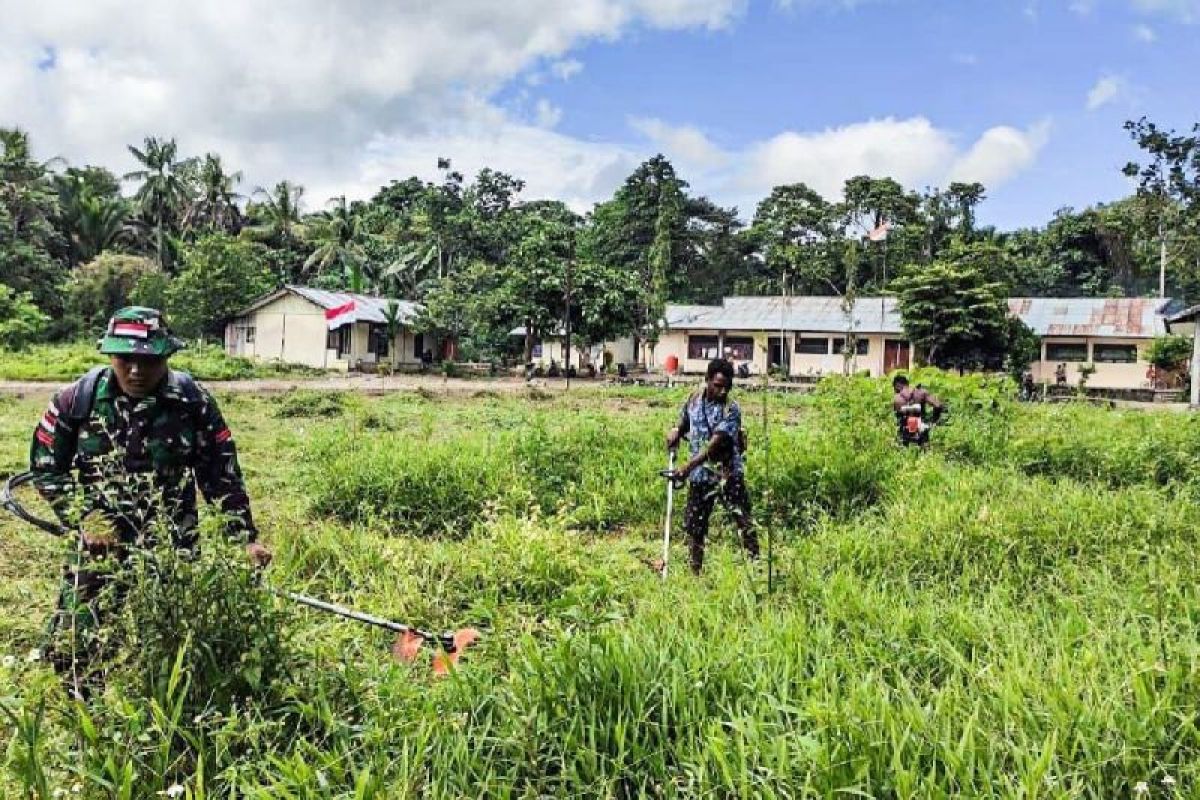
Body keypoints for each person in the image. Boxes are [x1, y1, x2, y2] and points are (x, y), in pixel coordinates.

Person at [29, 307, 269, 690]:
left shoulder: (193, 402)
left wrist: (245, 539)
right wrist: (87, 517)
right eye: (126, 359)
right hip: (100, 542)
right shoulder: (77, 400)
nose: (136, 371)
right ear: (110, 356)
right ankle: (80, 706)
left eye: (148, 361)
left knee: (175, 634)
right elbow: (45, 468)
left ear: (166, 357)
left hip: (172, 539)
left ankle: (165, 701)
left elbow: (220, 475)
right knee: (77, 639)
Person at [665, 359, 759, 574]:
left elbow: (713, 447)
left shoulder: (731, 409)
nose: (722, 390)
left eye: (726, 386)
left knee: (743, 520)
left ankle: (757, 568)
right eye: (717, 385)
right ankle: (694, 573)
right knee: (695, 526)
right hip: (700, 477)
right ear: (707, 380)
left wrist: (687, 467)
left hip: (727, 473)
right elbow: (684, 421)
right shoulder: (694, 399)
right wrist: (676, 432)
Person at [892, 374, 945, 448]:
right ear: (907, 383)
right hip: (921, 430)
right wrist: (933, 421)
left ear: (897, 386)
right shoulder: (921, 392)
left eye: (894, 389)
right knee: (925, 455)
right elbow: (938, 405)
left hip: (905, 434)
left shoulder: (896, 399)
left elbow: (897, 419)